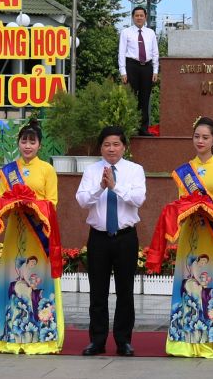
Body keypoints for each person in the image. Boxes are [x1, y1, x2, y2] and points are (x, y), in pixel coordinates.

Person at [0, 121, 64, 354]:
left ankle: (43, 337)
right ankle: (10, 336)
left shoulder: (47, 170)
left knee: (39, 279)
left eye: (32, 141)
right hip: (15, 232)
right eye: (24, 141)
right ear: (18, 143)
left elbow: (52, 203)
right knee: (14, 277)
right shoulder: (8, 171)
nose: (27, 146)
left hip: (39, 234)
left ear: (40, 145)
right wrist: (13, 204)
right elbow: (1, 201)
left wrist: (33, 206)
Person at [165, 116, 213, 358]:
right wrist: (191, 207)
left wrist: (208, 208)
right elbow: (181, 201)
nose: (200, 141)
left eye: (205, 137)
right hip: (192, 233)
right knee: (190, 282)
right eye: (197, 136)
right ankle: (187, 341)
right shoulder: (185, 171)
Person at [76, 125, 146, 356]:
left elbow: (138, 199)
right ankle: (97, 340)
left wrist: (115, 187)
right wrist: (100, 188)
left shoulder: (135, 170)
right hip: (99, 238)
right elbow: (82, 200)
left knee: (125, 291)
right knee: (98, 291)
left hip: (125, 237)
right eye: (107, 144)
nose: (111, 149)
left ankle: (123, 341)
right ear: (101, 148)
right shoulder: (91, 171)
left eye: (116, 144)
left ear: (124, 147)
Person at [117, 6, 158, 134]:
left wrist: (155, 70)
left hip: (147, 67)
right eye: (136, 15)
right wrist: (123, 72)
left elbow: (155, 52)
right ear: (133, 17)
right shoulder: (126, 32)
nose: (139, 18)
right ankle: (130, 128)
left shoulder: (151, 33)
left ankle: (143, 129)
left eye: (141, 15)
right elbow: (121, 52)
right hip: (132, 66)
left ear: (145, 17)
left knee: (145, 99)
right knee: (131, 98)